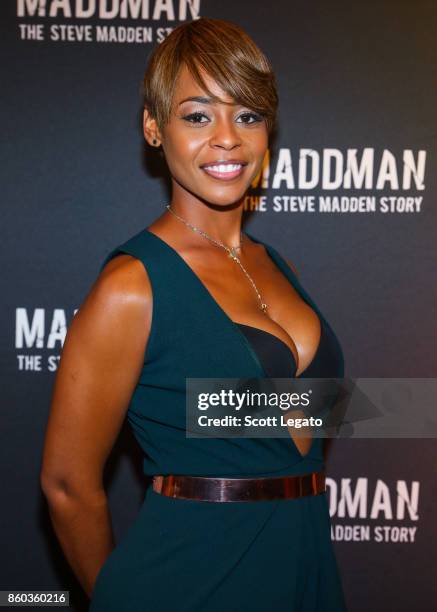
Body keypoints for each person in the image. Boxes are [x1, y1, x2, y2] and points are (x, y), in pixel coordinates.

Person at [40, 17, 347, 612]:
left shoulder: (278, 265)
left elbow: (281, 426)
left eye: (249, 115)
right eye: (198, 115)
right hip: (189, 582)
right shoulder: (131, 286)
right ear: (155, 128)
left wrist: (413, 408)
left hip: (306, 568)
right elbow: (66, 485)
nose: (228, 138)